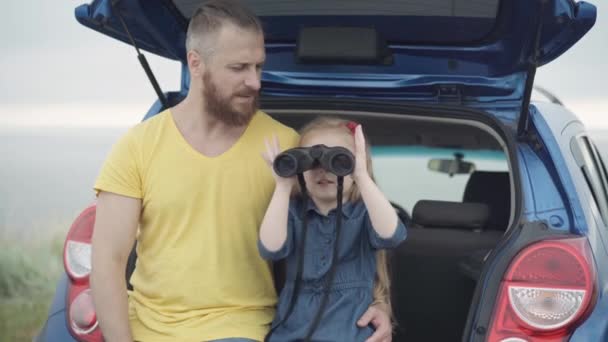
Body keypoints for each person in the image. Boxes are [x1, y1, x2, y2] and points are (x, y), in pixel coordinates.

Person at [90, 1, 394, 341]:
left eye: (259, 67)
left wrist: (379, 303)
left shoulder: (285, 149)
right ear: (196, 64)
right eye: (239, 68)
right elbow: (108, 260)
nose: (255, 82)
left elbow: (350, 229)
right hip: (145, 326)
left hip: (239, 328)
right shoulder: (138, 146)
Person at [259, 117, 407, 341]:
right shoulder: (292, 212)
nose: (323, 170)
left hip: (349, 331)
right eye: (310, 160)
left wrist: (362, 176)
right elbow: (270, 249)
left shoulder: (365, 214)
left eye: (337, 160)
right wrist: (282, 187)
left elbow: (392, 235)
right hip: (293, 331)